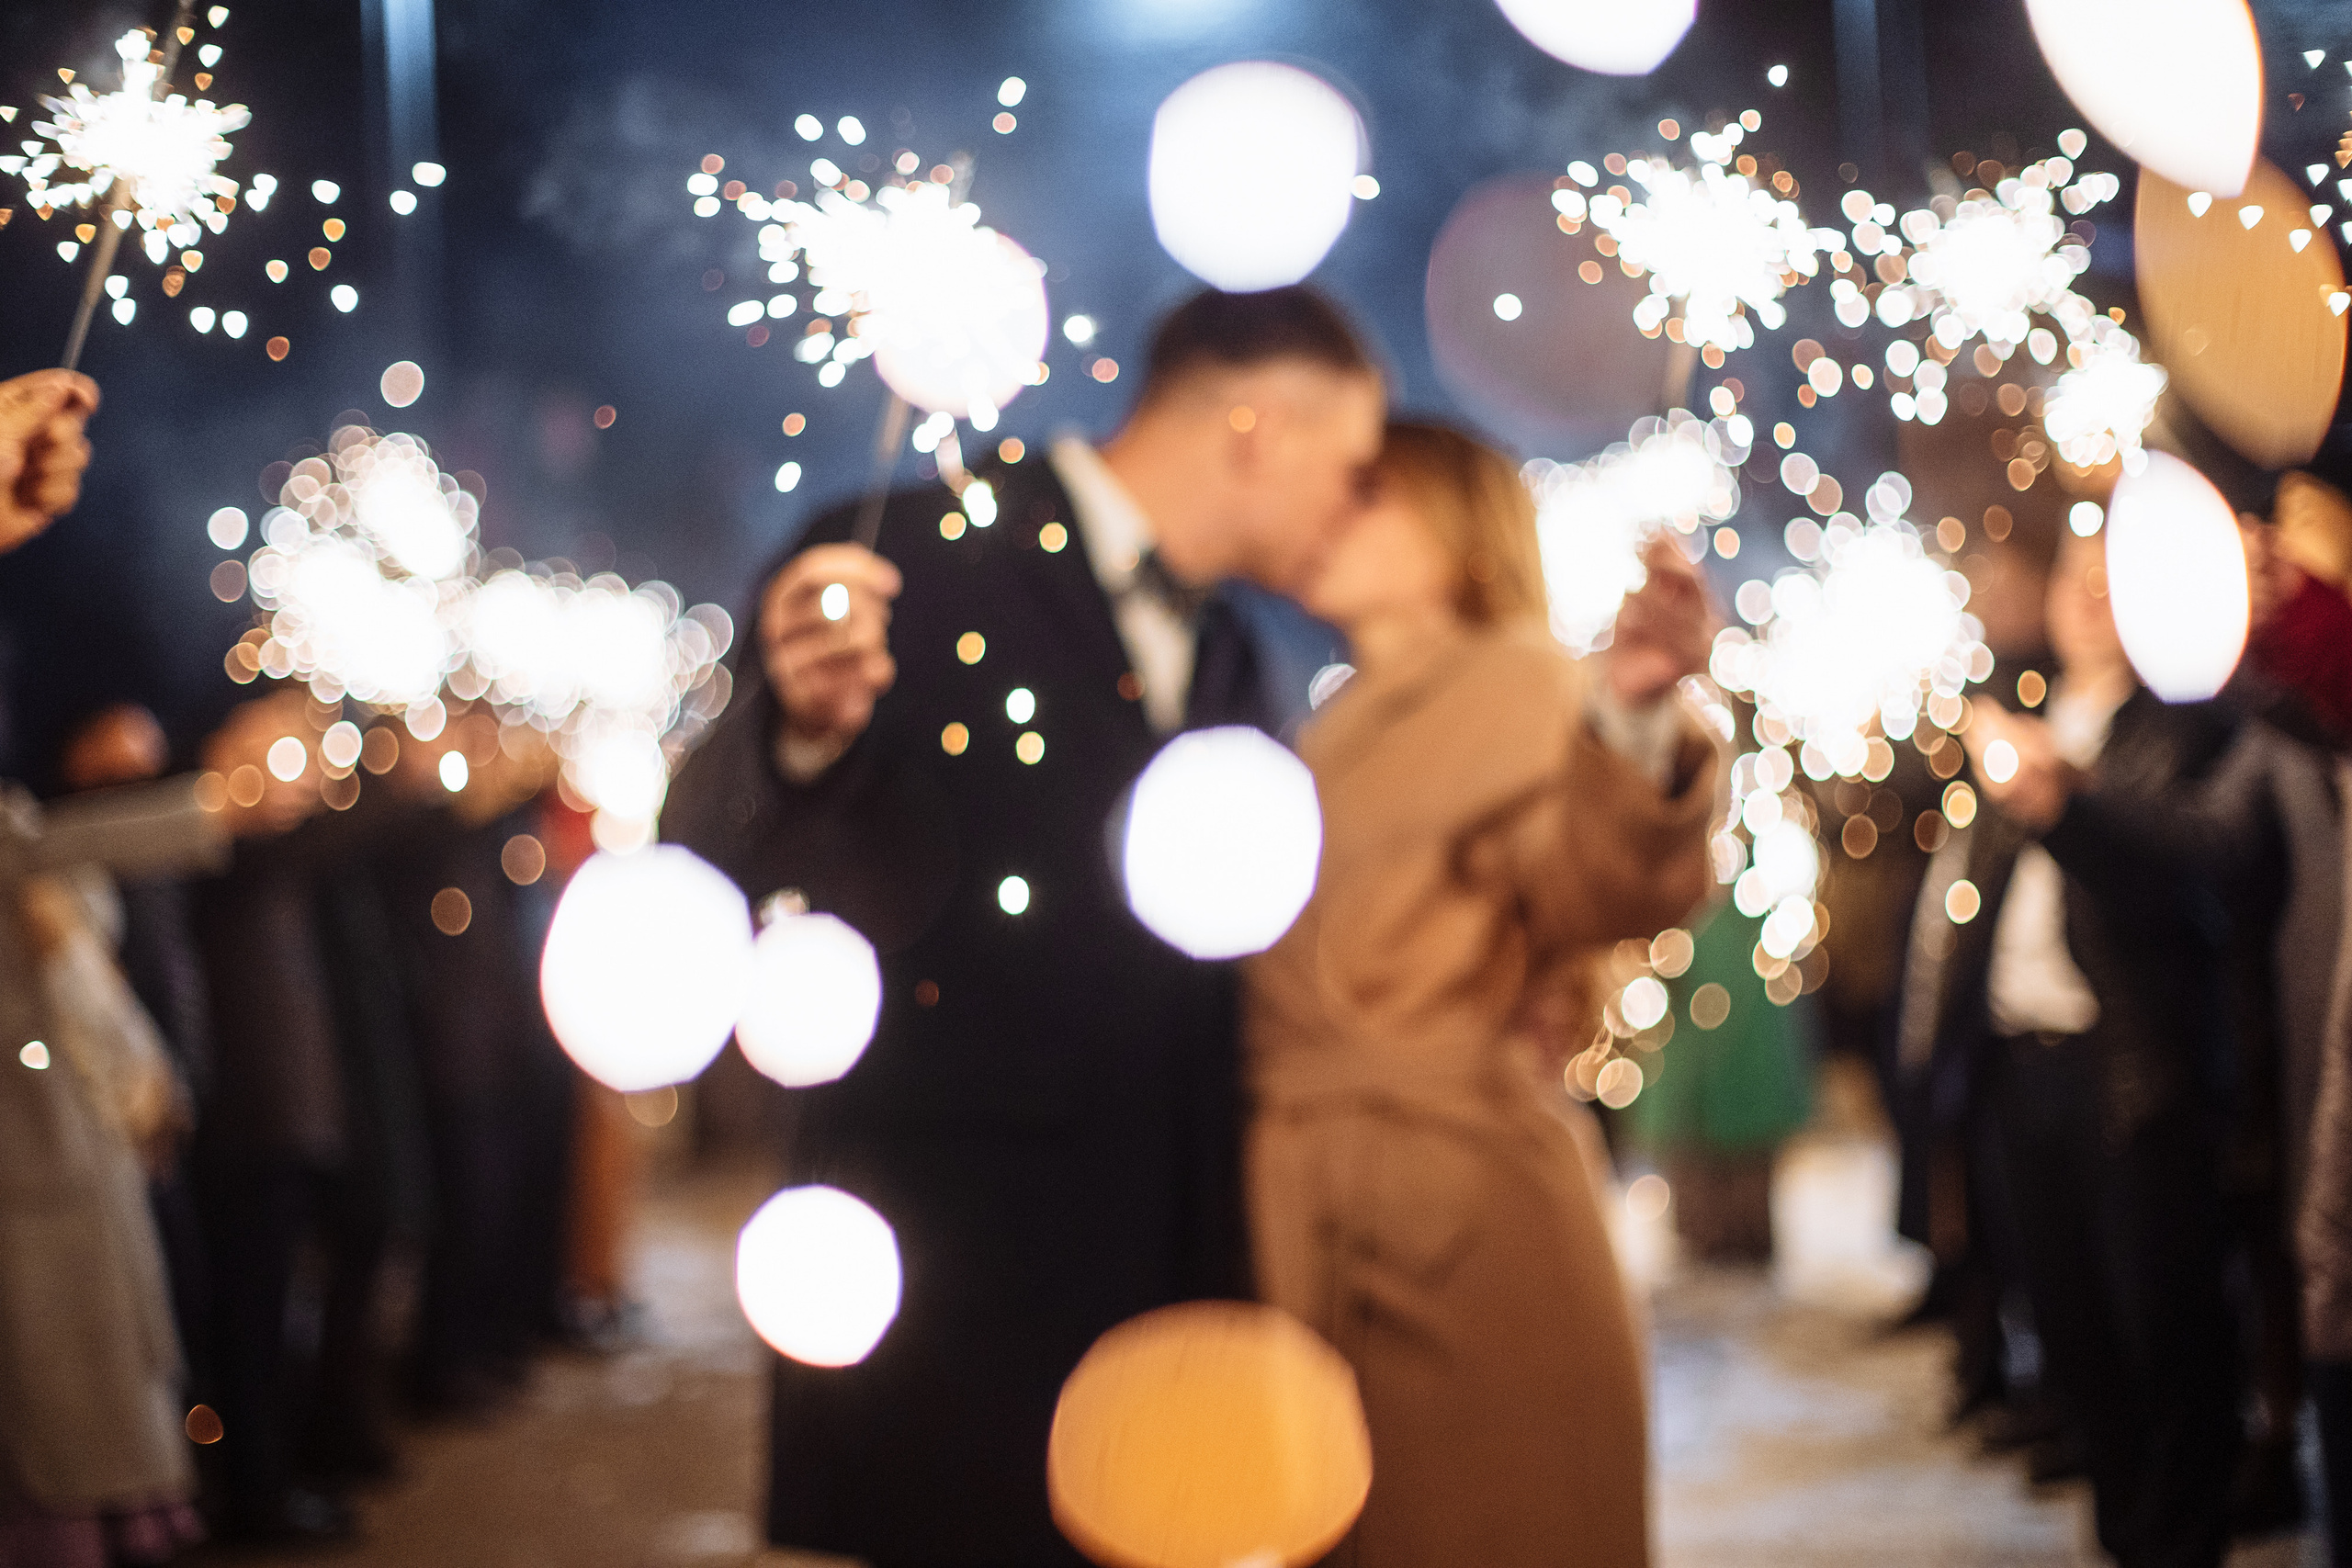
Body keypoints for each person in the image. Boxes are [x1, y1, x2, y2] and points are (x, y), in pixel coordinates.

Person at [663, 285, 1385, 1566]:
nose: (1354, 499)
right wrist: (803, 731)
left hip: (1167, 1267)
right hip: (957, 1267)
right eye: (1350, 461)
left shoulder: (1231, 650)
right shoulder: (906, 548)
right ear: (1255, 424)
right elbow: (709, 841)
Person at [1241, 423, 1716, 1568]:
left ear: (1457, 528)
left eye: (1368, 494)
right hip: (1330, 1206)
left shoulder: (1525, 688)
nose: (1325, 515)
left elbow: (1600, 881)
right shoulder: (1344, 712)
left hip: (1459, 1231)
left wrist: (1635, 719)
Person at [1948, 527, 2243, 1568]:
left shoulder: (2184, 727)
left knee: (2162, 1335)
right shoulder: (2029, 716)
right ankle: (2125, 1536)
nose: (2087, 600)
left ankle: (2177, 1542)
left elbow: (2186, 877)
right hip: (2019, 1073)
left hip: (2123, 1072)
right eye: (2075, 580)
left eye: (2111, 582)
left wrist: (2064, 802)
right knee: (2071, 1336)